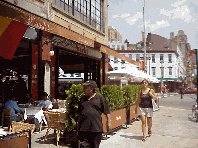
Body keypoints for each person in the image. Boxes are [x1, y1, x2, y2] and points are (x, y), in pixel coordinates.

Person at [78, 80, 111, 148]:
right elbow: (79, 112)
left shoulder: (99, 98)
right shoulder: (82, 98)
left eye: (85, 88)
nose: (83, 89)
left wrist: (109, 122)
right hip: (83, 129)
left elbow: (107, 110)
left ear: (91, 89)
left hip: (96, 129)